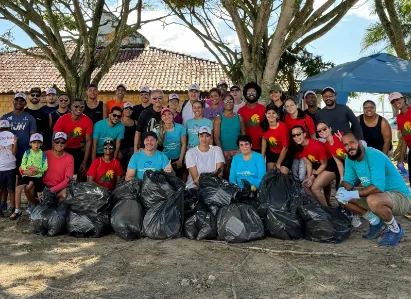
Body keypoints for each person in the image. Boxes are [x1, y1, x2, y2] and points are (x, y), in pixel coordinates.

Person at [337, 133, 411, 247]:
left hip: (400, 197)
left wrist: (352, 193)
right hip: (379, 196)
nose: (349, 147)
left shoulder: (374, 155)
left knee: (373, 200)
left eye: (352, 142)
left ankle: (395, 230)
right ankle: (375, 222)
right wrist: (342, 191)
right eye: (345, 144)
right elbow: (348, 181)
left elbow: (378, 187)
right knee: (341, 197)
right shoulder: (350, 159)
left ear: (360, 143)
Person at [291, 125, 337, 206]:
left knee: (315, 188)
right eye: (294, 135)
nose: (296, 137)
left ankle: (327, 211)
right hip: (317, 165)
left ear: (304, 134)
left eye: (298, 134)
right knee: (306, 185)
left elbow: (324, 164)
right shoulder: (299, 147)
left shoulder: (316, 145)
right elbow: (308, 163)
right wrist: (309, 177)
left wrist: (313, 177)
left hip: (330, 165)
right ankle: (318, 206)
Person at [53, 98, 93, 180]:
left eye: (82, 107)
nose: (79, 109)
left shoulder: (88, 121)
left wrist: (84, 162)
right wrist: (56, 156)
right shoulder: (62, 119)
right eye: (76, 106)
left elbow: (89, 141)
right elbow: (54, 138)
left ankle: (79, 190)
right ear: (71, 107)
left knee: (81, 173)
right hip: (64, 148)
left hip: (77, 149)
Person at [10, 133, 48, 220]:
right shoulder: (27, 153)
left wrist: (37, 169)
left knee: (39, 193)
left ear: (41, 144)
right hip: (26, 175)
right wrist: (28, 168)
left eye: (38, 142)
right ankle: (17, 210)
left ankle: (42, 210)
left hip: (37, 176)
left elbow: (45, 166)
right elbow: (22, 164)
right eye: (34, 142)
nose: (36, 144)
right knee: (18, 189)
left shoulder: (43, 154)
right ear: (30, 143)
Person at [1, 93, 37, 183]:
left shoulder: (30, 118)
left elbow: (33, 137)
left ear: (25, 103)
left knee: (21, 179)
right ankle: (5, 197)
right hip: (7, 154)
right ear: (13, 102)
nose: (19, 102)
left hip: (24, 153)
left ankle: (18, 196)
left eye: (21, 101)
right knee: (6, 180)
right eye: (17, 100)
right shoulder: (5, 118)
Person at [214, 94, 245, 178]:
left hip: (237, 151)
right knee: (226, 174)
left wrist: (240, 150)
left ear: (233, 102)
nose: (228, 103)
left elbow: (243, 135)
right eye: (226, 101)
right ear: (222, 103)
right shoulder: (218, 118)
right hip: (224, 151)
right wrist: (222, 153)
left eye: (231, 100)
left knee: (237, 174)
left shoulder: (239, 117)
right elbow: (216, 137)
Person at [156, 108, 187, 179]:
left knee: (179, 179)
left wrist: (180, 160)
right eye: (164, 115)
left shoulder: (180, 128)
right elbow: (155, 147)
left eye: (169, 114)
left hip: (178, 158)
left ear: (173, 116)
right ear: (162, 118)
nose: (167, 117)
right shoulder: (158, 130)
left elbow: (184, 144)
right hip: (165, 159)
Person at [42, 132, 74, 201]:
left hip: (59, 188)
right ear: (53, 142)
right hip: (43, 186)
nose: (59, 144)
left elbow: (67, 180)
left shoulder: (69, 158)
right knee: (29, 185)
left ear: (65, 144)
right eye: (57, 141)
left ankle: (58, 209)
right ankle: (33, 205)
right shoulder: (44, 154)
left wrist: (51, 190)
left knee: (66, 193)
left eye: (62, 142)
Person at [261, 105, 291, 173]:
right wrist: (262, 156)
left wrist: (278, 163)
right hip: (272, 152)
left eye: (273, 113)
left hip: (284, 153)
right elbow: (264, 139)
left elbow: (285, 148)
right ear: (265, 114)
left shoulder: (283, 127)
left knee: (281, 174)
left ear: (277, 115)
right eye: (269, 113)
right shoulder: (264, 125)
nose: (271, 115)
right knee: (270, 173)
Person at [237, 82, 265, 152]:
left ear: (257, 94)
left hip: (261, 145)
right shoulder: (240, 111)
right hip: (246, 146)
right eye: (249, 92)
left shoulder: (264, 109)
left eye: (253, 92)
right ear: (245, 94)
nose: (251, 94)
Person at [0, 120, 17, 215]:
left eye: (5, 129)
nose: (3, 131)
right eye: (2, 129)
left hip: (11, 166)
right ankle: (1, 207)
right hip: (0, 167)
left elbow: (14, 153)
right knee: (0, 189)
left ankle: (12, 207)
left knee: (11, 189)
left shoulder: (12, 138)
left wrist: (15, 143)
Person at [392, 92, 411, 173]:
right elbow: (404, 138)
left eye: (397, 99)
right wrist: (401, 159)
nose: (396, 103)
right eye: (393, 102)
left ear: (403, 99)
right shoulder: (399, 117)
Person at [119, 102, 137, 172]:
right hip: (121, 148)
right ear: (123, 111)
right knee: (120, 168)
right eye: (126, 109)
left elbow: (137, 136)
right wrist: (116, 150)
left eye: (130, 109)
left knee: (130, 167)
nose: (128, 111)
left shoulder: (135, 122)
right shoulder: (118, 121)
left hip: (132, 149)